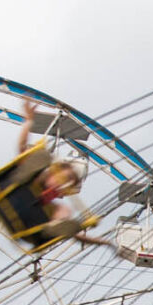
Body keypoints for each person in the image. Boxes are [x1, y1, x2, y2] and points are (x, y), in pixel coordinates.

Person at [15, 99, 111, 248]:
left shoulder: (55, 208)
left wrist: (105, 242)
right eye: (64, 179)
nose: (63, 185)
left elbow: (75, 235)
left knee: (64, 211)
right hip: (17, 193)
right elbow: (22, 148)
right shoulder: (35, 175)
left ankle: (53, 226)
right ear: (55, 172)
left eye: (68, 186)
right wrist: (28, 122)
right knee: (37, 161)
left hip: (29, 223)